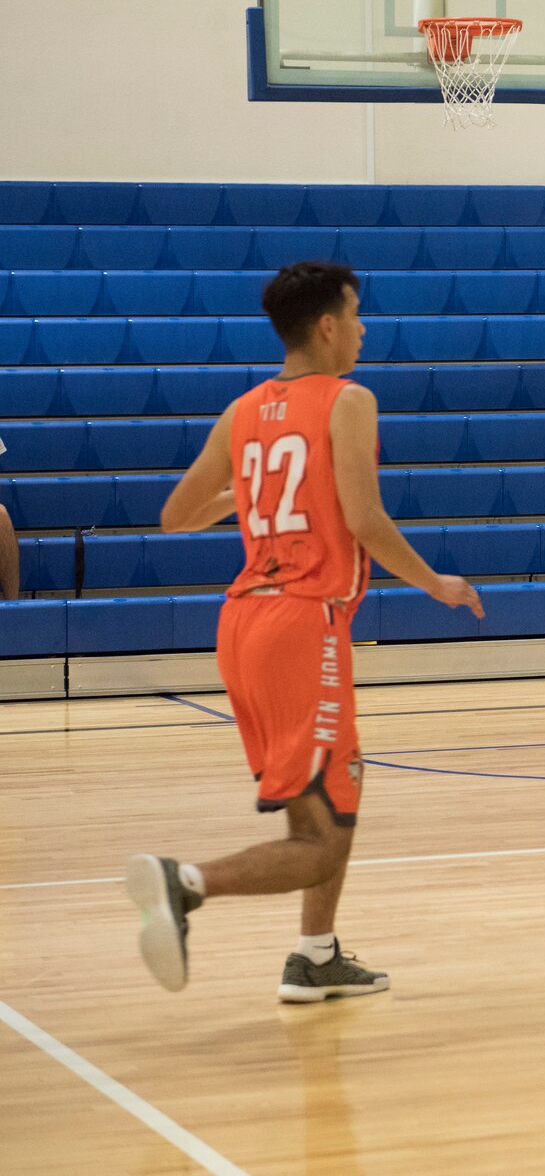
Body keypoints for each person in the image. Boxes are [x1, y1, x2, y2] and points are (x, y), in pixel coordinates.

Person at [127, 262, 483, 1001]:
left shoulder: (244, 409)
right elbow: (365, 520)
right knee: (318, 844)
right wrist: (437, 583)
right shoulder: (350, 399)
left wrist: (250, 492)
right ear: (326, 326)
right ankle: (186, 882)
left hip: (243, 622)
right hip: (302, 622)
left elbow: (174, 516)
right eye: (356, 315)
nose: (362, 329)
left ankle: (316, 955)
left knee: (336, 788)